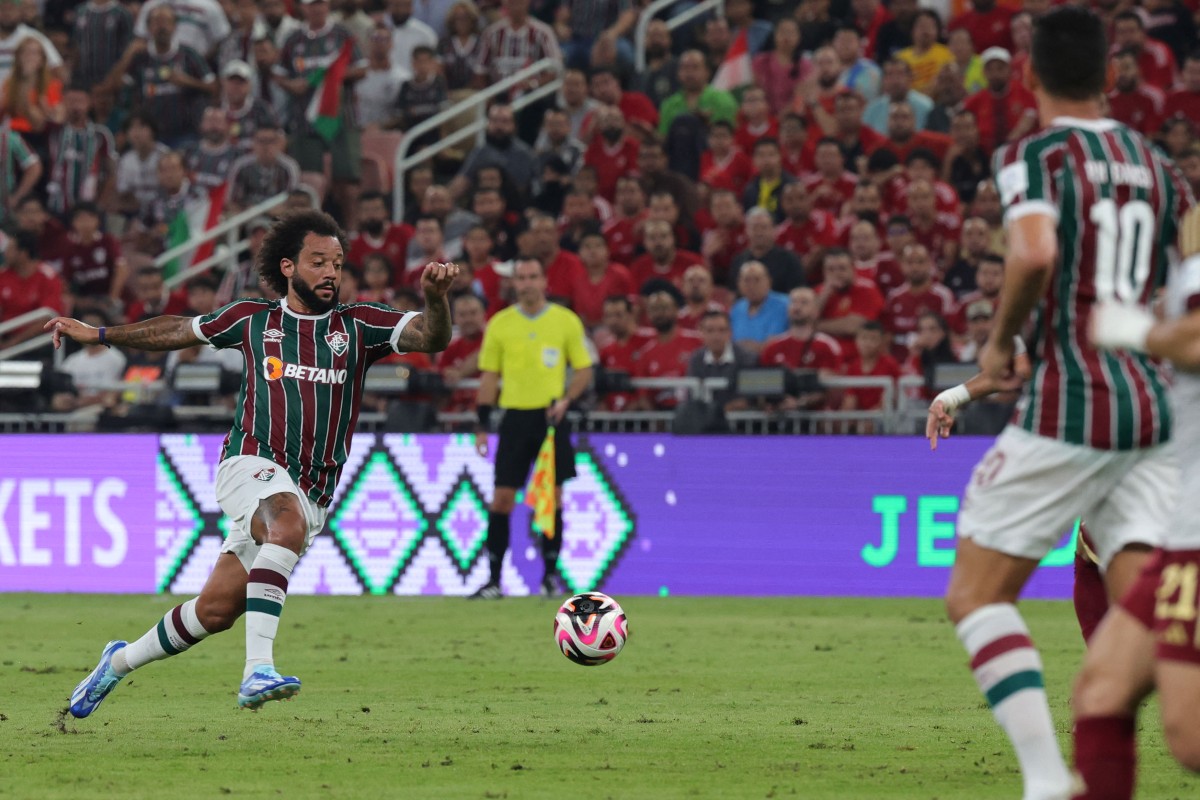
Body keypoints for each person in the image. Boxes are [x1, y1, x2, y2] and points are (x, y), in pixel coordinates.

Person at [926, 8, 1190, 800]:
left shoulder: (1032, 156)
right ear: (1112, 77)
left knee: (975, 593)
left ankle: (1047, 782)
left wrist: (1000, 338)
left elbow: (1035, 250)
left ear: (1029, 77)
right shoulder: (1160, 168)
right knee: (1142, 637)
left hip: (1072, 405)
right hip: (1155, 414)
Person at [61, 211, 458, 717]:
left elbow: (433, 337)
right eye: (318, 262)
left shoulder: (359, 326)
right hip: (248, 464)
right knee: (285, 520)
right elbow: (176, 331)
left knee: (215, 611)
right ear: (289, 267)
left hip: (312, 490)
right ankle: (257, 670)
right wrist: (98, 335)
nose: (331, 272)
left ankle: (116, 663)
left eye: (337, 263)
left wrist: (435, 299)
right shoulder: (252, 318)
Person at [471, 257, 593, 599]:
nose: (526, 283)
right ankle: (494, 580)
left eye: (532, 276)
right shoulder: (500, 324)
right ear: (514, 284)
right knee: (502, 499)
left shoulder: (565, 321)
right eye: (520, 277)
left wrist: (567, 398)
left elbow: (583, 369)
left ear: (544, 281)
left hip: (550, 419)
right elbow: (490, 378)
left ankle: (550, 577)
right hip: (513, 418)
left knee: (551, 498)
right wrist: (481, 424)